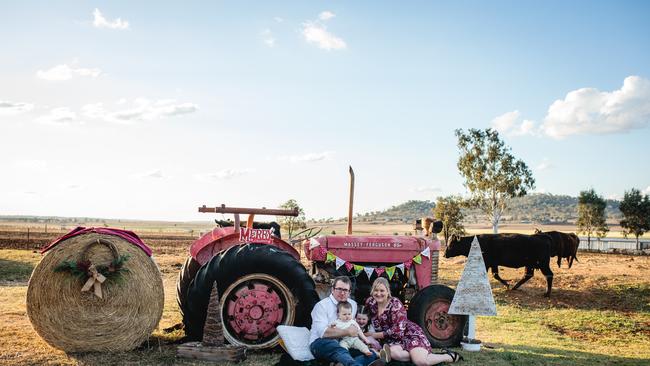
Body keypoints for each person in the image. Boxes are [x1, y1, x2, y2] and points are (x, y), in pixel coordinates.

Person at [365, 278, 464, 365]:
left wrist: (374, 335)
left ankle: (449, 356)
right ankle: (394, 355)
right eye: (376, 290)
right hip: (393, 341)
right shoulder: (371, 303)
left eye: (382, 290)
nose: (378, 294)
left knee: (420, 362)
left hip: (408, 334)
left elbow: (398, 332)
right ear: (372, 291)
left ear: (388, 292)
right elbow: (364, 317)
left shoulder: (395, 305)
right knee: (394, 352)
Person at [309, 276, 384, 366]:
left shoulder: (352, 304)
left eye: (345, 290)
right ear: (333, 289)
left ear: (349, 292)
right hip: (321, 343)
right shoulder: (321, 306)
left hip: (345, 342)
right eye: (339, 289)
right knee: (338, 349)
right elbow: (323, 333)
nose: (342, 293)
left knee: (370, 353)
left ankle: (340, 364)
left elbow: (352, 326)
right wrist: (347, 331)